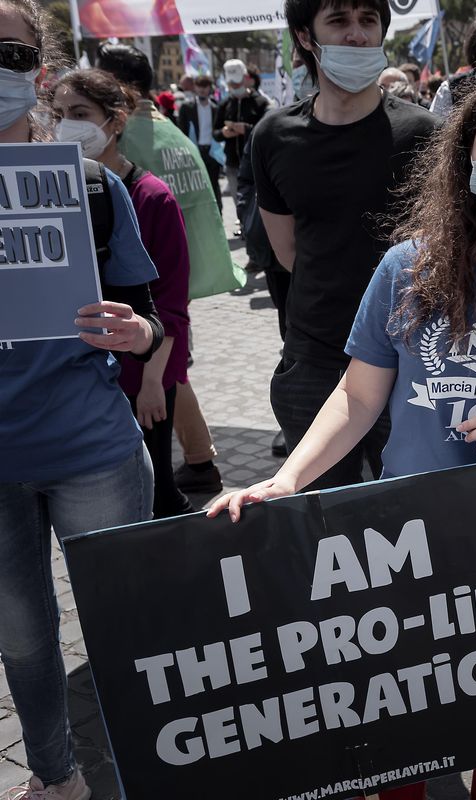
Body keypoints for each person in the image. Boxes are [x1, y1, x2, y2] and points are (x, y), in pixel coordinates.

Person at [213, 63, 476, 800]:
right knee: (402, 721)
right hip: (406, 541)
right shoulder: (406, 269)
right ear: (465, 158)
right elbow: (358, 396)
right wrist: (288, 478)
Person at [0, 3, 164, 797]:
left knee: (124, 631)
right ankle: (55, 778)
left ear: (39, 70)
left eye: (9, 53)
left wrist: (139, 335)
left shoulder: (91, 187)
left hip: (92, 453)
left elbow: (152, 319)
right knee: (22, 640)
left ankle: (147, 772)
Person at [254, 0, 438, 491]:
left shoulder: (426, 133)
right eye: (338, 21)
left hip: (409, 362)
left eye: (368, 20)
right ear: (305, 36)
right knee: (322, 518)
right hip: (313, 363)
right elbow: (288, 252)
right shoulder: (273, 137)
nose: (356, 34)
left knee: (411, 513)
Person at [95, 43, 238, 498]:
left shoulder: (130, 146)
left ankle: (196, 465)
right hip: (174, 281)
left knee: (162, 377)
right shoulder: (169, 130)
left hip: (152, 292)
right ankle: (200, 459)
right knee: (173, 371)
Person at [54, 68, 196, 519]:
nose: (65, 125)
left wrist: (152, 384)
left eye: (80, 113)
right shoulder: (52, 193)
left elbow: (170, 305)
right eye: (58, 113)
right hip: (87, 381)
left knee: (157, 492)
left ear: (115, 121)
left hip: (142, 374)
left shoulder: (152, 197)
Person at [214, 58, 269, 206]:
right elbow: (215, 132)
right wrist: (223, 133)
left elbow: (266, 131)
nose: (235, 86)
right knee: (239, 204)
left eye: (237, 83)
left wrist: (247, 129)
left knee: (256, 204)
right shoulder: (224, 104)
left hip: (254, 163)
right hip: (232, 164)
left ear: (245, 78)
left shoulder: (260, 102)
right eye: (231, 84)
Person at [174, 73, 222, 208]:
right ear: (195, 87)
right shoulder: (187, 107)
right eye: (199, 86)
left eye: (205, 86)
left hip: (212, 152)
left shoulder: (216, 107)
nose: (202, 90)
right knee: (196, 185)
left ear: (210, 88)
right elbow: (181, 131)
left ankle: (218, 213)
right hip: (195, 151)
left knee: (214, 185)